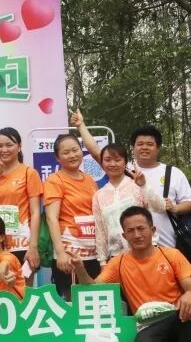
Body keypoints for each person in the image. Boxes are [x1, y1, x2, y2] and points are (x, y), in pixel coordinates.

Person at [72, 206, 191, 342]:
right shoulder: (118, 263)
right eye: (130, 231)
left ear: (153, 230)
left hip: (175, 317)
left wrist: (190, 295)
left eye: (141, 228)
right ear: (124, 236)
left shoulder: (172, 255)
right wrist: (80, 269)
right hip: (147, 325)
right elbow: (92, 288)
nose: (137, 235)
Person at [70, 112, 165, 265]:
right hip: (116, 259)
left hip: (146, 254)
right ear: (102, 163)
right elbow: (100, 230)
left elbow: (159, 207)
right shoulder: (99, 195)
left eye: (117, 159)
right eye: (107, 160)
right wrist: (102, 262)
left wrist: (144, 186)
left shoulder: (137, 185)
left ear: (125, 162)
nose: (112, 164)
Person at [0, 127, 42, 283]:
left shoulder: (29, 173)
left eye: (9, 145)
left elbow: (35, 213)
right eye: (0, 146)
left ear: (19, 147)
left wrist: (33, 246)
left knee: (24, 289)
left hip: (23, 243)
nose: (4, 150)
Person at [43, 134, 99, 300]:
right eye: (66, 152)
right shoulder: (55, 180)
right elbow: (51, 218)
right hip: (70, 251)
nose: (72, 155)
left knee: (94, 297)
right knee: (73, 300)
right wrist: (60, 253)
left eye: (75, 150)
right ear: (57, 157)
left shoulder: (90, 180)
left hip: (93, 251)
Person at [130, 125, 191, 247]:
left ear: (158, 148)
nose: (144, 147)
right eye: (140, 144)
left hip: (168, 247)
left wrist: (175, 208)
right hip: (130, 249)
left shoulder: (173, 173)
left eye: (150, 144)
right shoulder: (124, 172)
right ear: (133, 147)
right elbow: (100, 156)